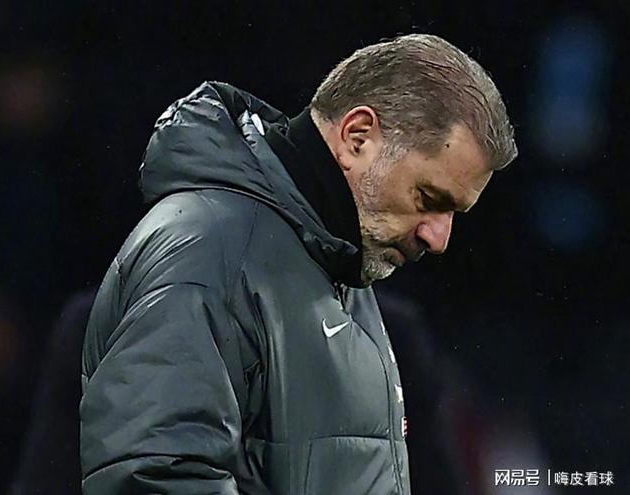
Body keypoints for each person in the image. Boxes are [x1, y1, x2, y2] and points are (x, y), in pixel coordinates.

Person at [80, 33, 517, 495]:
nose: (439, 238)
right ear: (358, 137)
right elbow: (154, 478)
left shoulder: (338, 266)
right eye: (428, 198)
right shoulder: (209, 248)